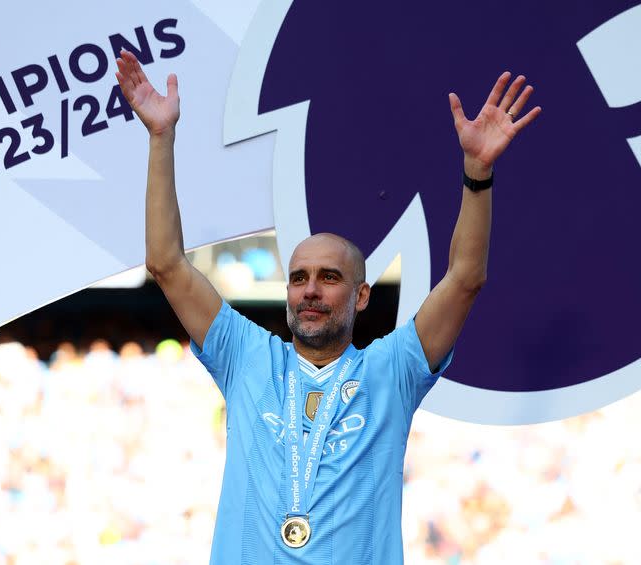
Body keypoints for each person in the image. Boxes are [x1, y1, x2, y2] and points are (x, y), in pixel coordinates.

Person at [115, 50, 540, 564]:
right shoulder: (245, 357)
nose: (310, 290)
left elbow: (465, 279)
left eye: (329, 277)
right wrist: (161, 138)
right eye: (298, 278)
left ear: (361, 296)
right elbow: (166, 264)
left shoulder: (393, 370)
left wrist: (477, 175)